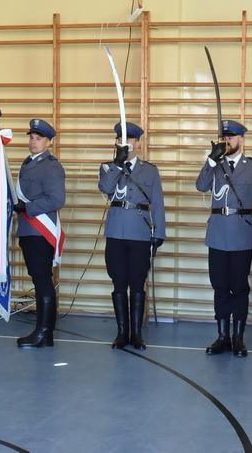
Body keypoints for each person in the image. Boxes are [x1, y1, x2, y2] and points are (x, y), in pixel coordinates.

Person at [196, 120, 252, 357]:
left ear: (241, 139)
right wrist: (211, 159)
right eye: (224, 137)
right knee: (220, 287)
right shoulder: (215, 164)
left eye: (231, 137)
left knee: (239, 287)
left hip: (242, 234)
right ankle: (222, 336)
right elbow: (201, 186)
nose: (227, 141)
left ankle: (238, 338)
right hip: (218, 234)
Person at [98, 122, 166, 350]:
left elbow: (157, 203)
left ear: (138, 143)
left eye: (129, 140)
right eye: (120, 140)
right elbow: (106, 189)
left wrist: (160, 231)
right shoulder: (108, 168)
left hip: (140, 231)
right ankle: (121, 333)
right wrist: (118, 163)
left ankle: (136, 334)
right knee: (118, 281)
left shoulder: (150, 171)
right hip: (116, 231)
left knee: (137, 282)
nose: (124, 143)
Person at [15, 118, 66, 348]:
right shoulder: (28, 163)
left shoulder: (51, 166)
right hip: (28, 229)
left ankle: (43, 332)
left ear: (49, 142)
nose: (33, 142)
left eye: (38, 139)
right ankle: (45, 334)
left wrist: (27, 208)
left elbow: (57, 199)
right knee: (39, 280)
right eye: (32, 138)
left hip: (40, 231)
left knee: (42, 280)